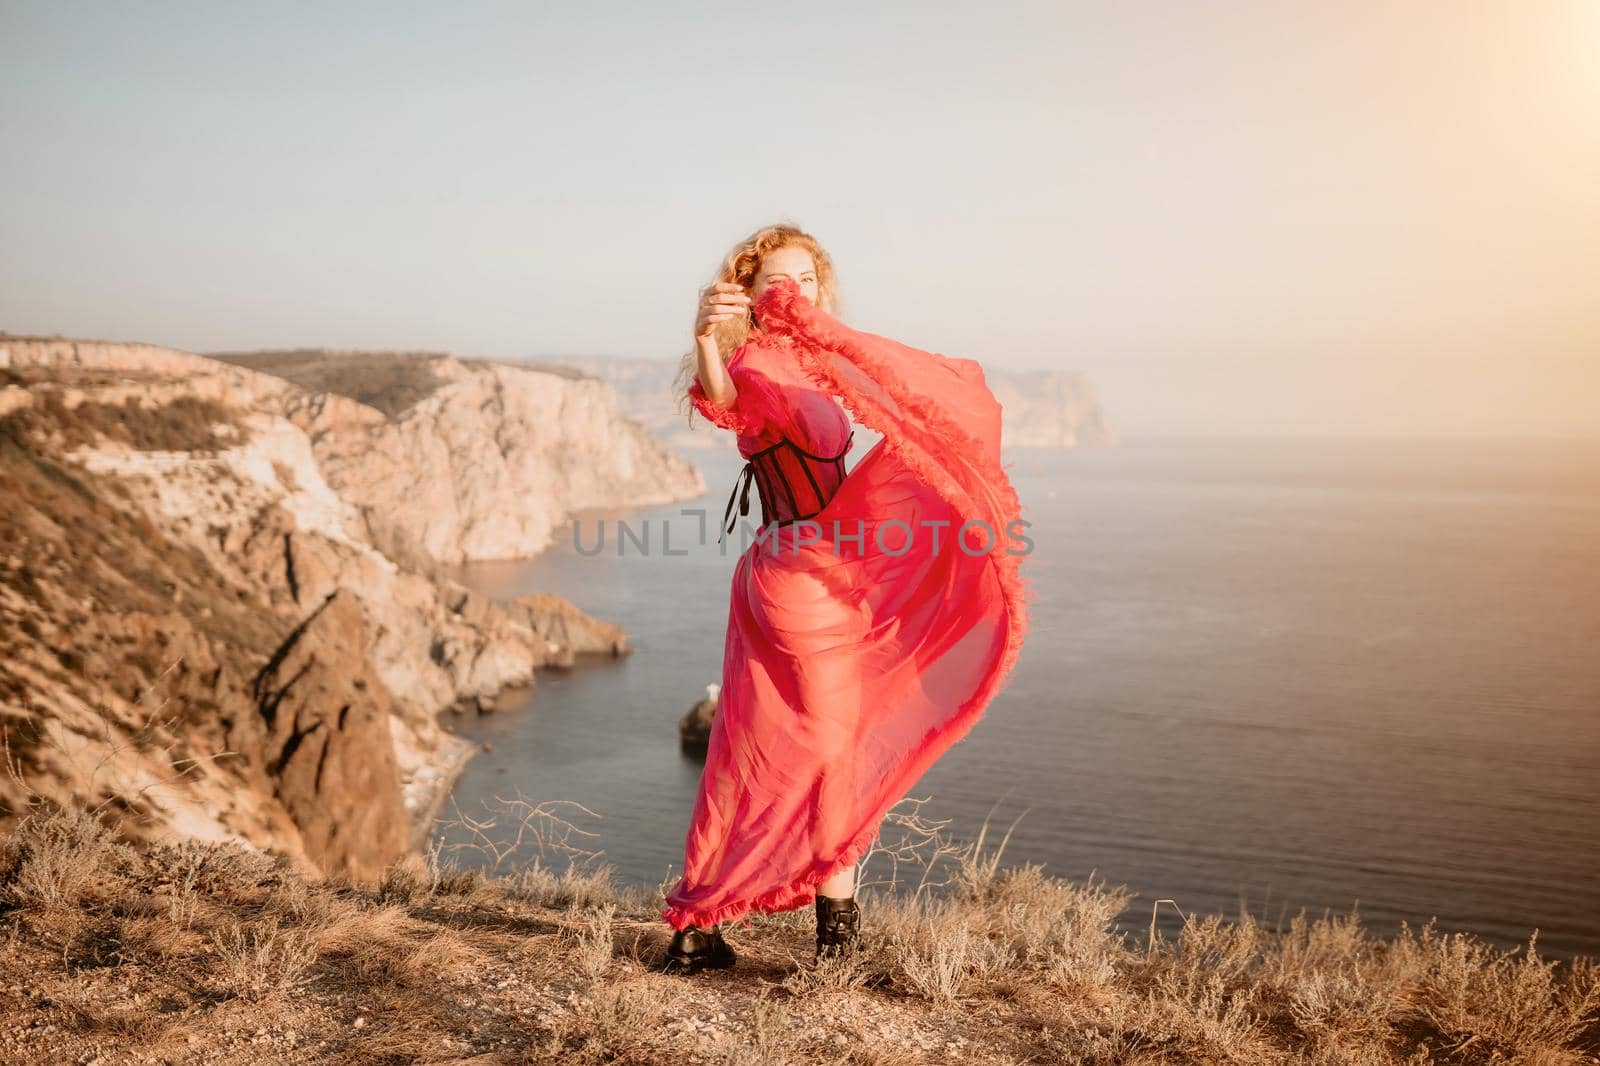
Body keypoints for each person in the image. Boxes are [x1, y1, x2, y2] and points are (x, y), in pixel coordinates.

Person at [657, 222, 1031, 975]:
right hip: (802, 577)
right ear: (752, 295)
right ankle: (830, 934)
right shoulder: (756, 357)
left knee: (758, 746)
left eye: (806, 278)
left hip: (830, 569)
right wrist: (705, 338)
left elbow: (893, 403)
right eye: (774, 281)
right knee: (833, 751)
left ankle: (708, 925)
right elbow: (727, 400)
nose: (792, 290)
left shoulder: (813, 357)